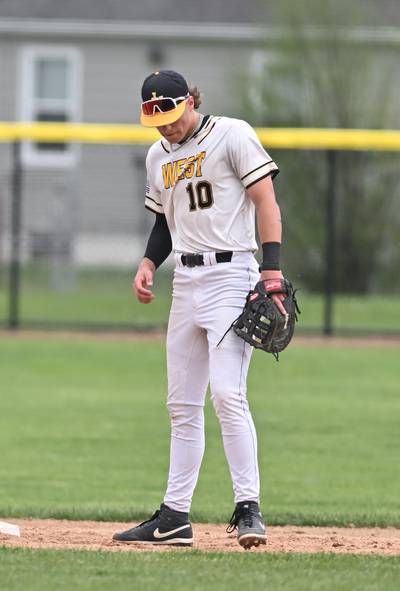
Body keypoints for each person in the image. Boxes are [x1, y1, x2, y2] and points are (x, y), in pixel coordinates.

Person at [112, 71, 286, 549]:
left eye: (169, 115)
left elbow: (267, 203)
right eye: (155, 119)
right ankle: (174, 516)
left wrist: (271, 272)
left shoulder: (232, 134)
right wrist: (148, 262)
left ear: (190, 100)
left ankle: (249, 507)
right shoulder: (157, 156)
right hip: (185, 282)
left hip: (233, 274)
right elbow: (165, 222)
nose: (164, 127)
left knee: (228, 393)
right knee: (181, 405)